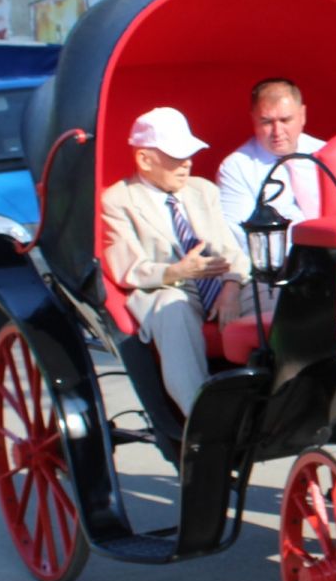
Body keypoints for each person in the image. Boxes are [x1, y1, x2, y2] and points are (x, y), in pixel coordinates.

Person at [101, 107, 252, 420]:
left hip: (220, 283)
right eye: (176, 156)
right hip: (169, 288)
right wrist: (176, 272)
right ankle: (203, 417)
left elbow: (231, 250)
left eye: (189, 154)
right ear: (145, 159)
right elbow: (127, 267)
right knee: (173, 307)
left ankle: (287, 396)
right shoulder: (118, 201)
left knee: (282, 296)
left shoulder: (203, 190)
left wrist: (232, 286)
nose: (187, 164)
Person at [216, 78, 326, 249]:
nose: (277, 131)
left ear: (302, 115)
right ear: (253, 120)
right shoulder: (236, 168)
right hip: (277, 267)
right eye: (267, 122)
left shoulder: (326, 154)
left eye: (285, 120)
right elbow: (239, 238)